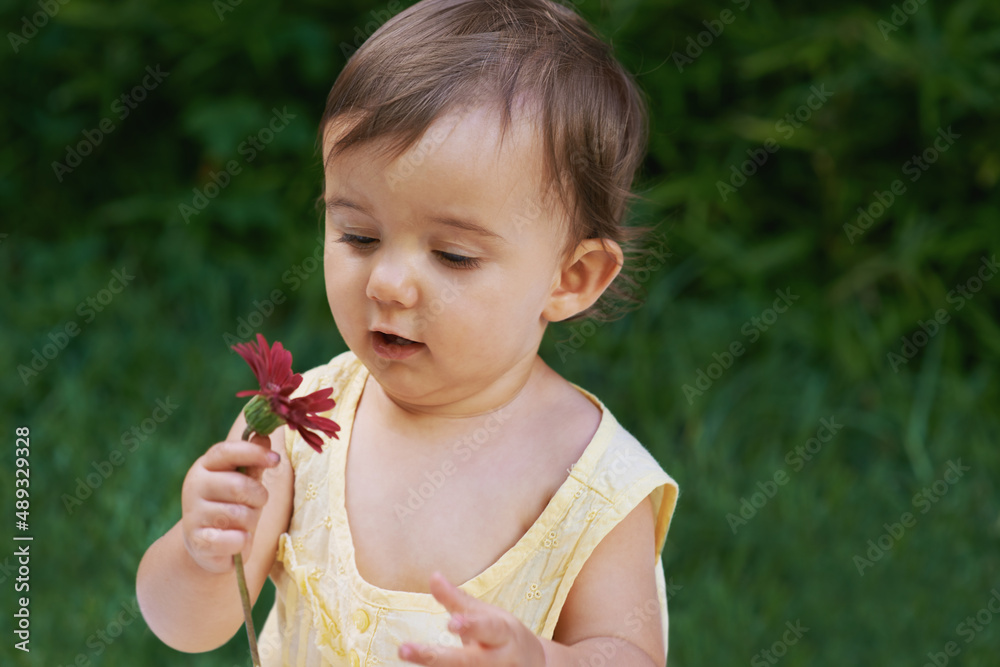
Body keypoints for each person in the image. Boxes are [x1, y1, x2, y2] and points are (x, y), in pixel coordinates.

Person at [136, 0, 679, 664]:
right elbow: (187, 626)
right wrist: (199, 550)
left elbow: (630, 653)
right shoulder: (295, 430)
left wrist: (539, 658)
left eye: (452, 255)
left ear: (572, 277)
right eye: (359, 235)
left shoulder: (593, 483)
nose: (388, 283)